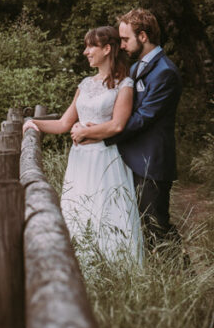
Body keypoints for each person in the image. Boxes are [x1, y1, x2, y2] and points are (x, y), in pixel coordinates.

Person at [23, 26, 143, 266]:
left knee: (108, 213)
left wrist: (85, 131)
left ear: (107, 49)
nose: (86, 51)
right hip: (80, 162)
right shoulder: (86, 84)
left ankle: (117, 270)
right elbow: (64, 123)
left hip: (106, 159)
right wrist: (32, 123)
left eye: (91, 46)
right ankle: (80, 269)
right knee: (78, 211)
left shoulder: (125, 84)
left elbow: (118, 125)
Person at [71, 8, 182, 250]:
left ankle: (183, 277)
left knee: (156, 227)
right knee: (139, 226)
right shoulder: (135, 69)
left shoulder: (165, 73)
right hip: (131, 159)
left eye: (125, 39)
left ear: (143, 36)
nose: (121, 46)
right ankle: (156, 279)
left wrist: (103, 132)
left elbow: (142, 118)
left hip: (151, 162)